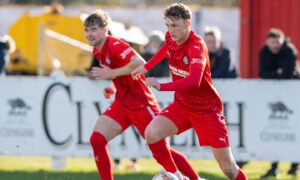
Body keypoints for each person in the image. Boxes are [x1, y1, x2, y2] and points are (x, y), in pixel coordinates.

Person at [132, 3, 247, 180]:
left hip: (207, 110)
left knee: (229, 169)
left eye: (175, 25)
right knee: (151, 134)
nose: (170, 31)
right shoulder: (171, 38)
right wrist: (147, 66)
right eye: (168, 25)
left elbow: (194, 81)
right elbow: (166, 48)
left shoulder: (196, 46)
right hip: (182, 106)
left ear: (187, 24)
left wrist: (161, 86)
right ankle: (177, 176)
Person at [83, 10, 200, 180]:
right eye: (87, 30)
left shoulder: (115, 45)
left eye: (94, 29)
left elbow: (140, 63)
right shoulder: (97, 50)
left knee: (162, 150)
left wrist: (112, 73)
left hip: (141, 103)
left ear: (105, 29)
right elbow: (123, 75)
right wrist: (113, 87)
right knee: (97, 140)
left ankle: (194, 179)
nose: (90, 34)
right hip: (122, 103)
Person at [259, 28, 299, 177]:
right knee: (276, 131)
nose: (275, 45)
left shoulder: (290, 51)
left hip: (294, 96)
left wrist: (276, 74)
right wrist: (278, 72)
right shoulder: (263, 52)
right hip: (275, 97)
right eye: (272, 42)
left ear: (282, 41)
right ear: (267, 42)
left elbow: (288, 75)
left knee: (294, 130)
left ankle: (294, 166)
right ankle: (274, 167)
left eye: (278, 42)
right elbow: (262, 74)